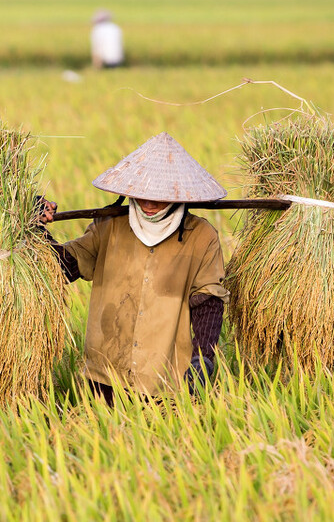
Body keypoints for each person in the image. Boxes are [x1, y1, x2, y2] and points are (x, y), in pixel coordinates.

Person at [38, 133, 228, 405]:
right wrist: (33, 228)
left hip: (165, 382)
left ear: (178, 193)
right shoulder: (109, 226)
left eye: (159, 197)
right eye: (142, 195)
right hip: (104, 376)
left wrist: (204, 359)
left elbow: (208, 300)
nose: (149, 205)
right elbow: (62, 268)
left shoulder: (201, 236)